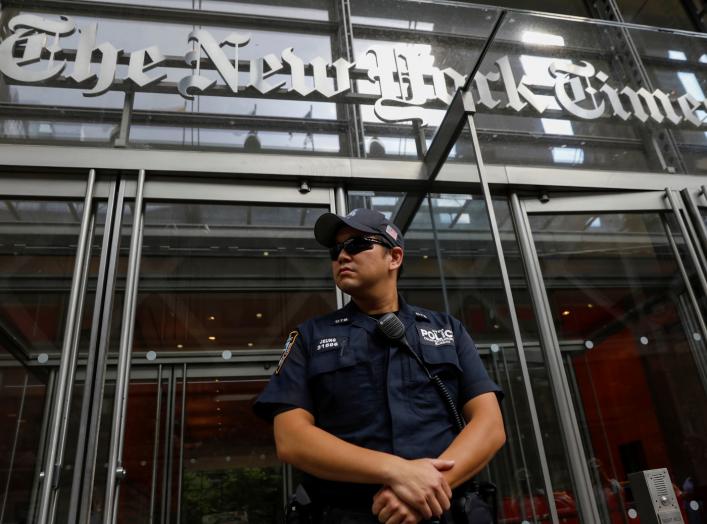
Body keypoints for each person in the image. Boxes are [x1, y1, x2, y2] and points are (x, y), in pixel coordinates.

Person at [253, 208, 505, 524]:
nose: (342, 255)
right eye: (336, 250)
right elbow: (291, 439)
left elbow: (490, 424)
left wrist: (425, 490)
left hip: (445, 513)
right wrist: (397, 471)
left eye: (357, 245)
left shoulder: (448, 330)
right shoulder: (309, 337)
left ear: (394, 257)